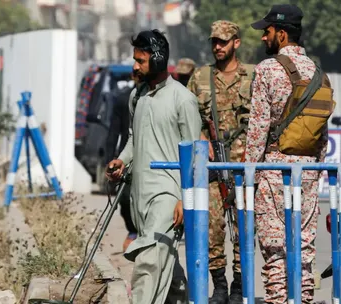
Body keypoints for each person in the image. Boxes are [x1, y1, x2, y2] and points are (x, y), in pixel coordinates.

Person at [106, 29, 202, 304]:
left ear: (158, 60)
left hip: (168, 196)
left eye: (141, 60)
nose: (135, 65)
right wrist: (121, 161)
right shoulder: (137, 96)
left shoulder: (182, 99)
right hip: (141, 196)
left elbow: (194, 154)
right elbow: (134, 139)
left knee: (148, 261)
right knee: (166, 266)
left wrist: (186, 198)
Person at [246, 5, 328, 303]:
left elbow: (257, 128)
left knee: (275, 250)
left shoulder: (267, 70)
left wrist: (248, 175)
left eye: (266, 32)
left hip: (273, 172)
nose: (262, 38)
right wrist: (315, 171)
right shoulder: (317, 72)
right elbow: (320, 134)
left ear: (281, 34)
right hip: (308, 172)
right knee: (304, 250)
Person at [187, 20, 254, 304]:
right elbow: (189, 118)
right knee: (213, 228)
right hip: (213, 168)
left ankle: (239, 285)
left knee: (244, 228)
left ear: (236, 43)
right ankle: (220, 285)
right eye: (214, 41)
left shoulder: (252, 76)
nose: (217, 47)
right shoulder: (200, 77)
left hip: (244, 168)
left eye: (223, 42)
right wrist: (201, 139)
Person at [105, 71, 139, 252]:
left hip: (151, 159)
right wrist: (109, 161)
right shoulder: (124, 100)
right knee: (125, 199)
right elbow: (113, 133)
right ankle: (132, 230)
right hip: (127, 158)